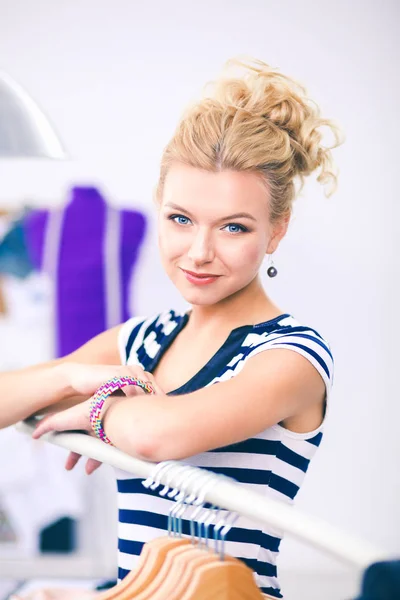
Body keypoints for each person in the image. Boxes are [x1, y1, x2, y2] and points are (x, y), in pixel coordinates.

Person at [4, 57, 341, 599]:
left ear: (276, 231)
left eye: (234, 227)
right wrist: (73, 375)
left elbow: (160, 435)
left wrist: (99, 409)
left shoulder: (290, 356)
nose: (199, 253)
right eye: (180, 219)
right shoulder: (144, 338)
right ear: (159, 208)